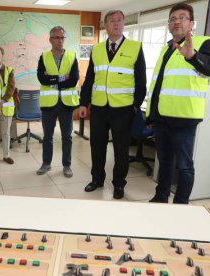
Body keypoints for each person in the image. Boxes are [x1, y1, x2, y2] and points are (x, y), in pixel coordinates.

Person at [147, 3, 210, 204]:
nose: (176, 21)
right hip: (162, 117)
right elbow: (158, 83)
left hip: (184, 117)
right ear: (169, 25)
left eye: (182, 17)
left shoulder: (203, 42)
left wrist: (193, 56)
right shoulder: (166, 49)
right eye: (172, 18)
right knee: (165, 162)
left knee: (184, 165)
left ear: (191, 23)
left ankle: (180, 204)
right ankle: (161, 196)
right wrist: (151, 115)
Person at [79, 10, 146, 199]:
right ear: (106, 25)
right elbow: (90, 78)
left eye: (119, 21)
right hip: (99, 108)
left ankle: (118, 184)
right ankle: (97, 179)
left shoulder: (135, 47)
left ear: (124, 24)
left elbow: (141, 81)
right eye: (111, 21)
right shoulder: (97, 49)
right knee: (97, 146)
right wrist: (84, 103)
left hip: (123, 110)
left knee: (121, 149)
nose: (116, 24)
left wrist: (135, 106)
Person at [36, 26, 79, 177]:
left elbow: (73, 80)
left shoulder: (72, 56)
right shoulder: (44, 57)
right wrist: (62, 78)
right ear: (50, 39)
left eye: (62, 38)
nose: (60, 41)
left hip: (66, 103)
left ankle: (66, 165)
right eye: (57, 38)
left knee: (67, 137)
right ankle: (46, 163)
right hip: (49, 104)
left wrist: (52, 79)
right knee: (47, 136)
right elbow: (42, 78)